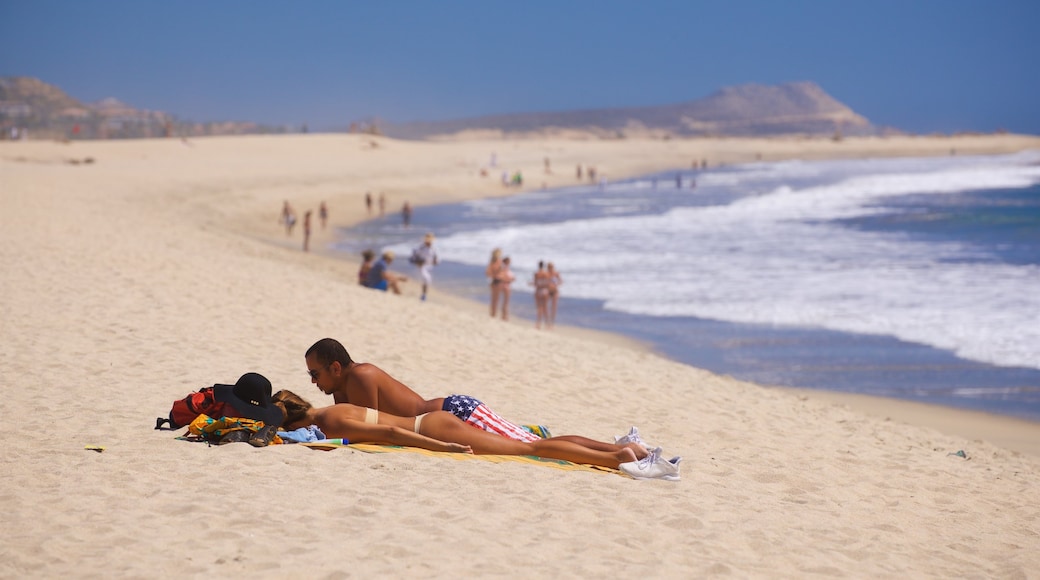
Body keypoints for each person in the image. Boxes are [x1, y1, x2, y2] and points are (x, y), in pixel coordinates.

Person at [272, 390, 679, 479]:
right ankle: (625, 451)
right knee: (527, 443)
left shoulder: (331, 423)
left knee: (531, 447)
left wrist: (442, 446)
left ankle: (620, 460)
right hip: (433, 420)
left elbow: (394, 432)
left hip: (431, 428)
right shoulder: (332, 409)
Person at [305, 338, 541, 442]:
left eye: (315, 374)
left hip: (456, 413)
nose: (314, 381)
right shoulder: (339, 389)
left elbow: (369, 430)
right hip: (443, 421)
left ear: (335, 367)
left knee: (530, 445)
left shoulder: (360, 376)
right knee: (522, 441)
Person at [410, 233, 439, 302]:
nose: (428, 242)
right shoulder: (421, 248)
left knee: (426, 281)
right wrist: (417, 262)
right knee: (426, 279)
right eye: (427, 240)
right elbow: (414, 256)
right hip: (422, 266)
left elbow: (436, 258)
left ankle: (424, 295)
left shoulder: (434, 248)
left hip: (430, 266)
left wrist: (435, 261)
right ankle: (423, 296)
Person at [532, 261, 551, 329]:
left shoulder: (537, 273)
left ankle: (538, 323)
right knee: (545, 308)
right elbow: (548, 283)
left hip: (539, 290)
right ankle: (547, 324)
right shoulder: (546, 273)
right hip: (545, 290)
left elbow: (535, 284)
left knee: (539, 308)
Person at [486, 248, 504, 318]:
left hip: (493, 281)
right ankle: (494, 313)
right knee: (496, 299)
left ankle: (493, 313)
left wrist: (493, 276)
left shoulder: (491, 262)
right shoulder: (498, 262)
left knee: (493, 298)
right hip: (497, 281)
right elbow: (501, 272)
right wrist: (497, 276)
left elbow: (488, 273)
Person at [498, 256, 516, 321]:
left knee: (505, 302)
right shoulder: (505, 269)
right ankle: (504, 316)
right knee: (506, 302)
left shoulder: (504, 268)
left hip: (504, 284)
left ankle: (504, 315)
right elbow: (502, 277)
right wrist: (509, 280)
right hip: (506, 285)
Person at [546, 262, 562, 328]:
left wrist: (556, 285)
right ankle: (548, 322)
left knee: (554, 307)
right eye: (549, 267)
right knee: (546, 307)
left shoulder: (556, 273)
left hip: (555, 291)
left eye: (551, 267)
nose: (550, 268)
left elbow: (560, 281)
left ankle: (552, 322)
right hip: (548, 291)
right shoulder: (546, 274)